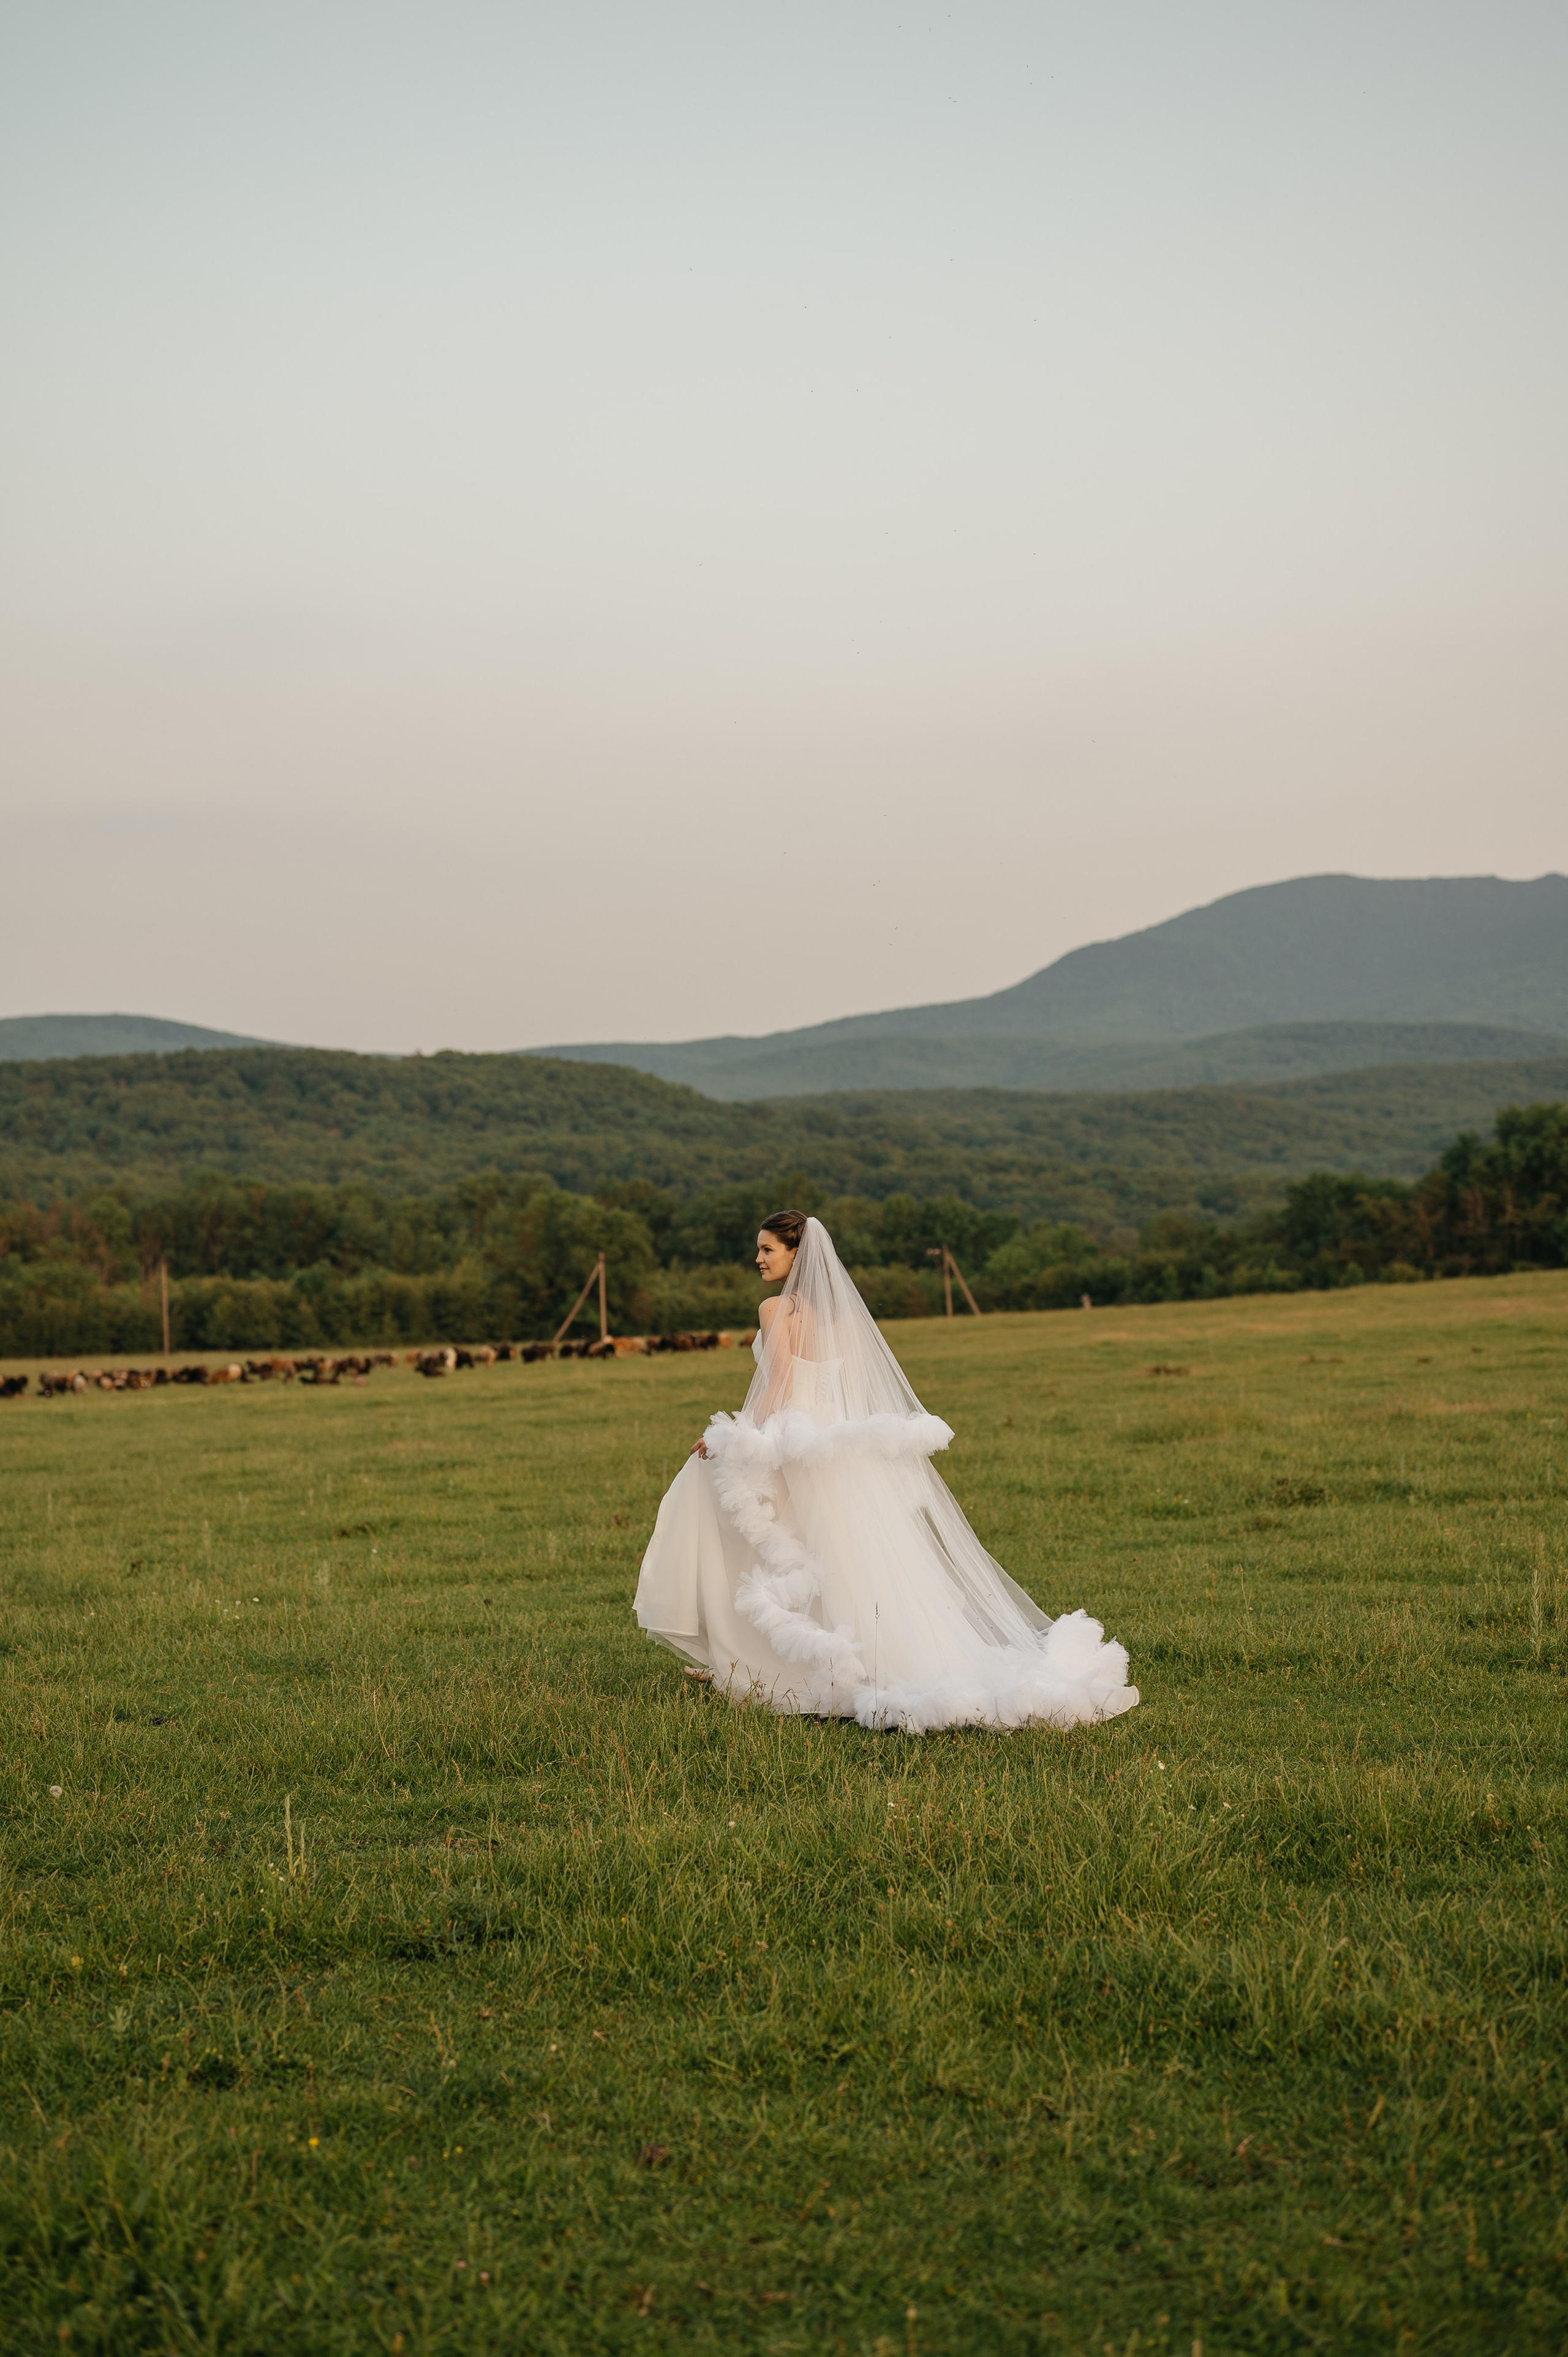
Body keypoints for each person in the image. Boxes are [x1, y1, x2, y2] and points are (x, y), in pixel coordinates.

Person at [633, 1210, 1138, 1733]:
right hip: (832, 1445)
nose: (758, 1259)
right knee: (839, 1557)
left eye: (767, 1250)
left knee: (723, 1510)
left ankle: (746, 1662)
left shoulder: (774, 1310)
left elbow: (780, 1386)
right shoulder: (845, 1319)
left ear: (796, 1256)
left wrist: (734, 1436)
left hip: (793, 1440)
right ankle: (754, 1660)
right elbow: (846, 1390)